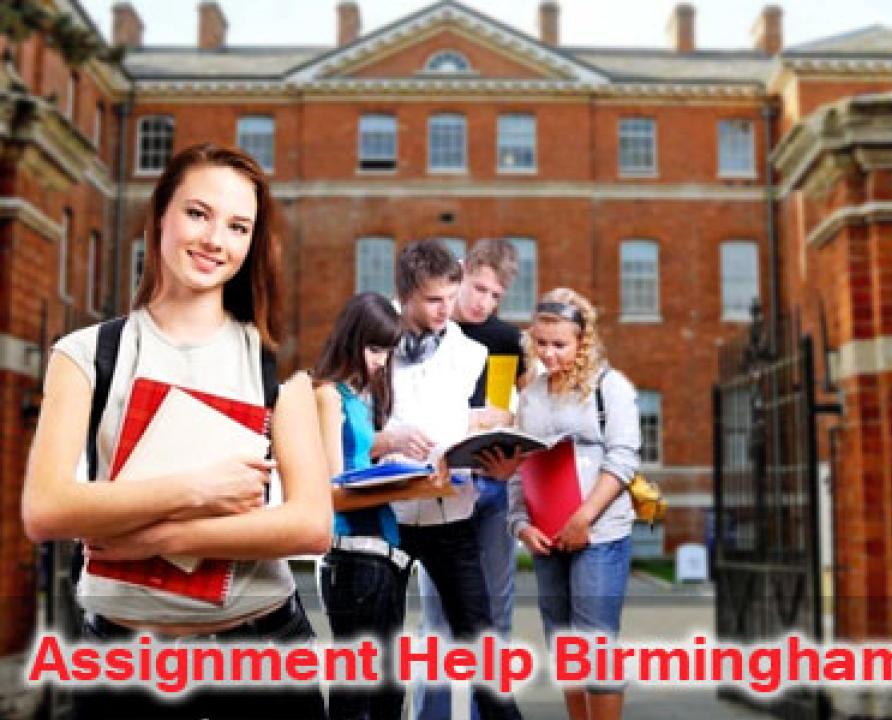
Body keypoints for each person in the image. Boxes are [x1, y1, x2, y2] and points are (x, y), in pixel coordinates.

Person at [22, 143, 332, 719]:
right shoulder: (87, 354)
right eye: (197, 213)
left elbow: (311, 525)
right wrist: (198, 490)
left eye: (238, 227)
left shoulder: (277, 366)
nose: (215, 240)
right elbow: (46, 509)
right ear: (161, 214)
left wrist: (159, 540)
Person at [379, 241, 523, 720]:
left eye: (449, 298)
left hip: (454, 507)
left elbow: (489, 412)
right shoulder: (376, 335)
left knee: (481, 636)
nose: (448, 309)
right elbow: (351, 417)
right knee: (385, 646)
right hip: (387, 512)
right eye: (433, 300)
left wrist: (491, 432)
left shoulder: (475, 352)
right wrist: (390, 440)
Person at [494, 289, 639, 720]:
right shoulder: (531, 396)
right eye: (540, 343)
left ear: (582, 341)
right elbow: (520, 468)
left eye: (559, 344)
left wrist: (583, 518)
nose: (548, 353)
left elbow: (623, 460)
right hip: (548, 538)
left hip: (599, 534)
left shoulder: (610, 388)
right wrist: (521, 525)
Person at [313, 292, 454, 720]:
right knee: (359, 699)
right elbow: (332, 490)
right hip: (356, 557)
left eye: (387, 352)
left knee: (388, 699)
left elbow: (356, 457)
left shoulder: (355, 399)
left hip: (384, 558)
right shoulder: (327, 395)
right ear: (351, 339)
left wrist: (394, 453)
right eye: (374, 349)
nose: (381, 361)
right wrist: (405, 488)